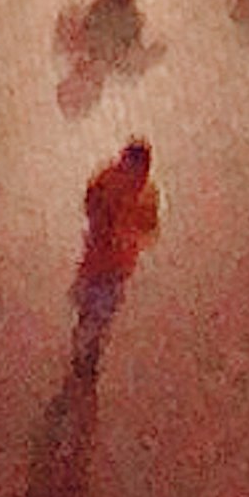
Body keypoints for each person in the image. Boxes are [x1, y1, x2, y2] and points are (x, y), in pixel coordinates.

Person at [68, 140, 160, 386]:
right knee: (90, 305)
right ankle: (84, 344)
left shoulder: (146, 193)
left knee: (103, 309)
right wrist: (103, 227)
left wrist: (130, 236)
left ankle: (89, 352)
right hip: (99, 258)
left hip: (118, 265)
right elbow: (91, 202)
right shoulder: (108, 179)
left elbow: (150, 225)